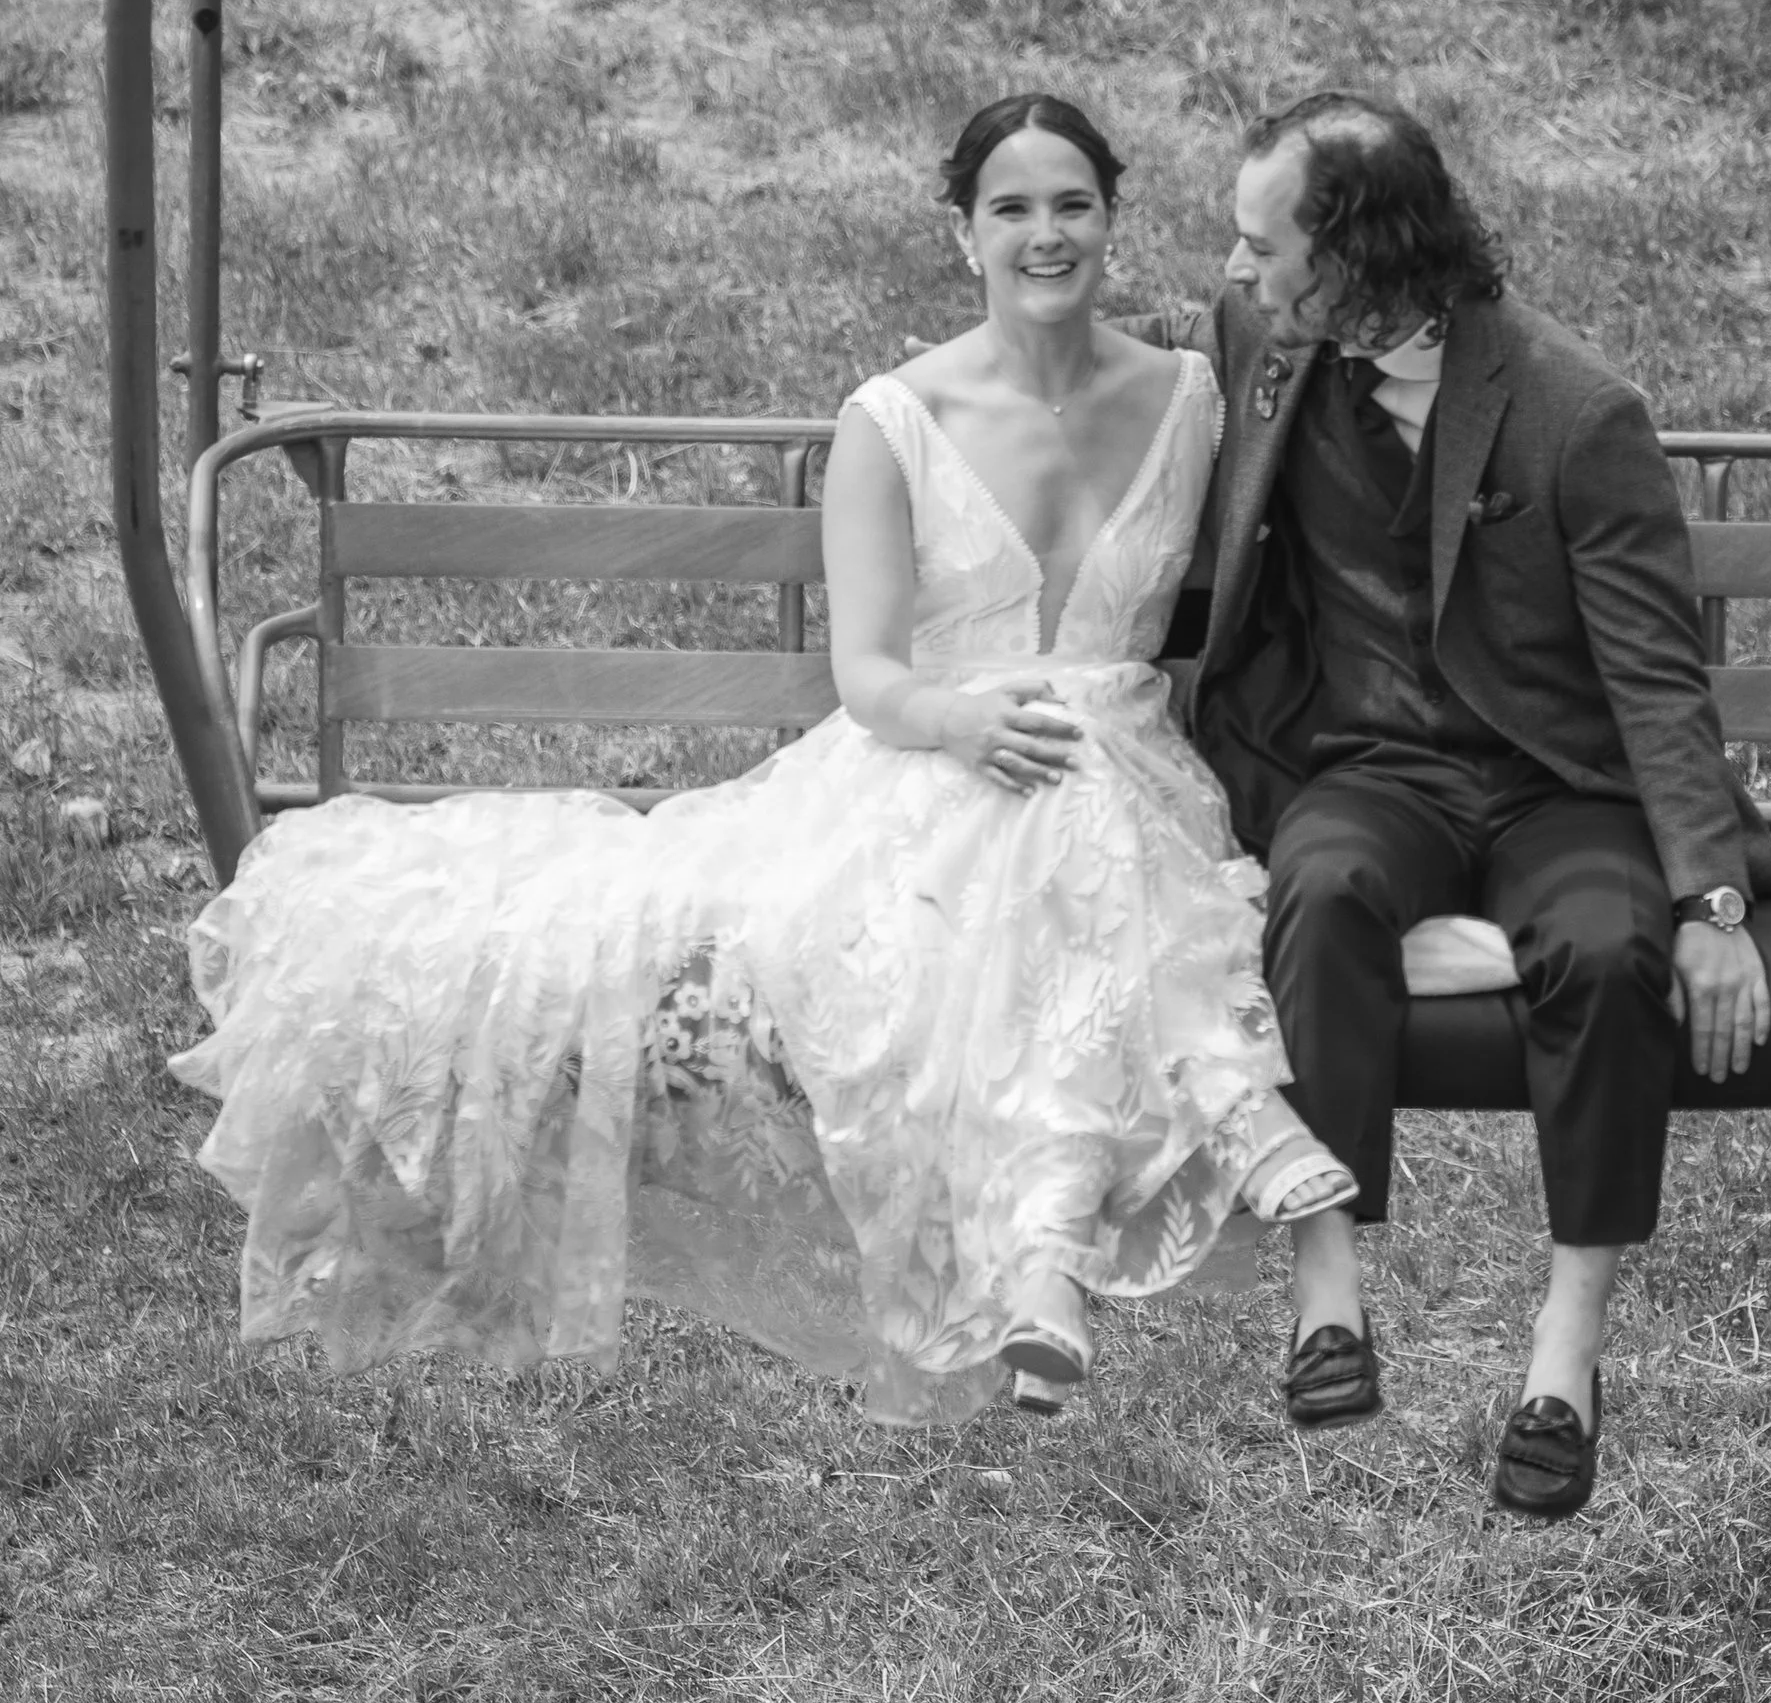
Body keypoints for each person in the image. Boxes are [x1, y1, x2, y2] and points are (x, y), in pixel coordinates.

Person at [171, 93, 1353, 1423]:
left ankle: (1044, 1267)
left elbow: (1342, 344)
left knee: (1075, 800)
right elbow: (872, 679)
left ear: (1112, 223)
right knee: (1048, 807)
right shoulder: (893, 419)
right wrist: (970, 720)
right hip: (931, 766)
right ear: (961, 233)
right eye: (1011, 208)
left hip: (1116, 775)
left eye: (1072, 204)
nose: (1045, 234)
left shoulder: (1192, 394)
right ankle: (1214, 1138)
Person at [1145, 90, 1771, 1519]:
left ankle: (1569, 1345)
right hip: (1374, 766)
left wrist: (1713, 900)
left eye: (1264, 245)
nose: (1238, 273)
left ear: (1359, 255)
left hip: (1561, 786)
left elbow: (1657, 682)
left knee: (1610, 951)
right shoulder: (1263, 339)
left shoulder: (1573, 412)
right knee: (1319, 889)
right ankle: (1327, 1290)